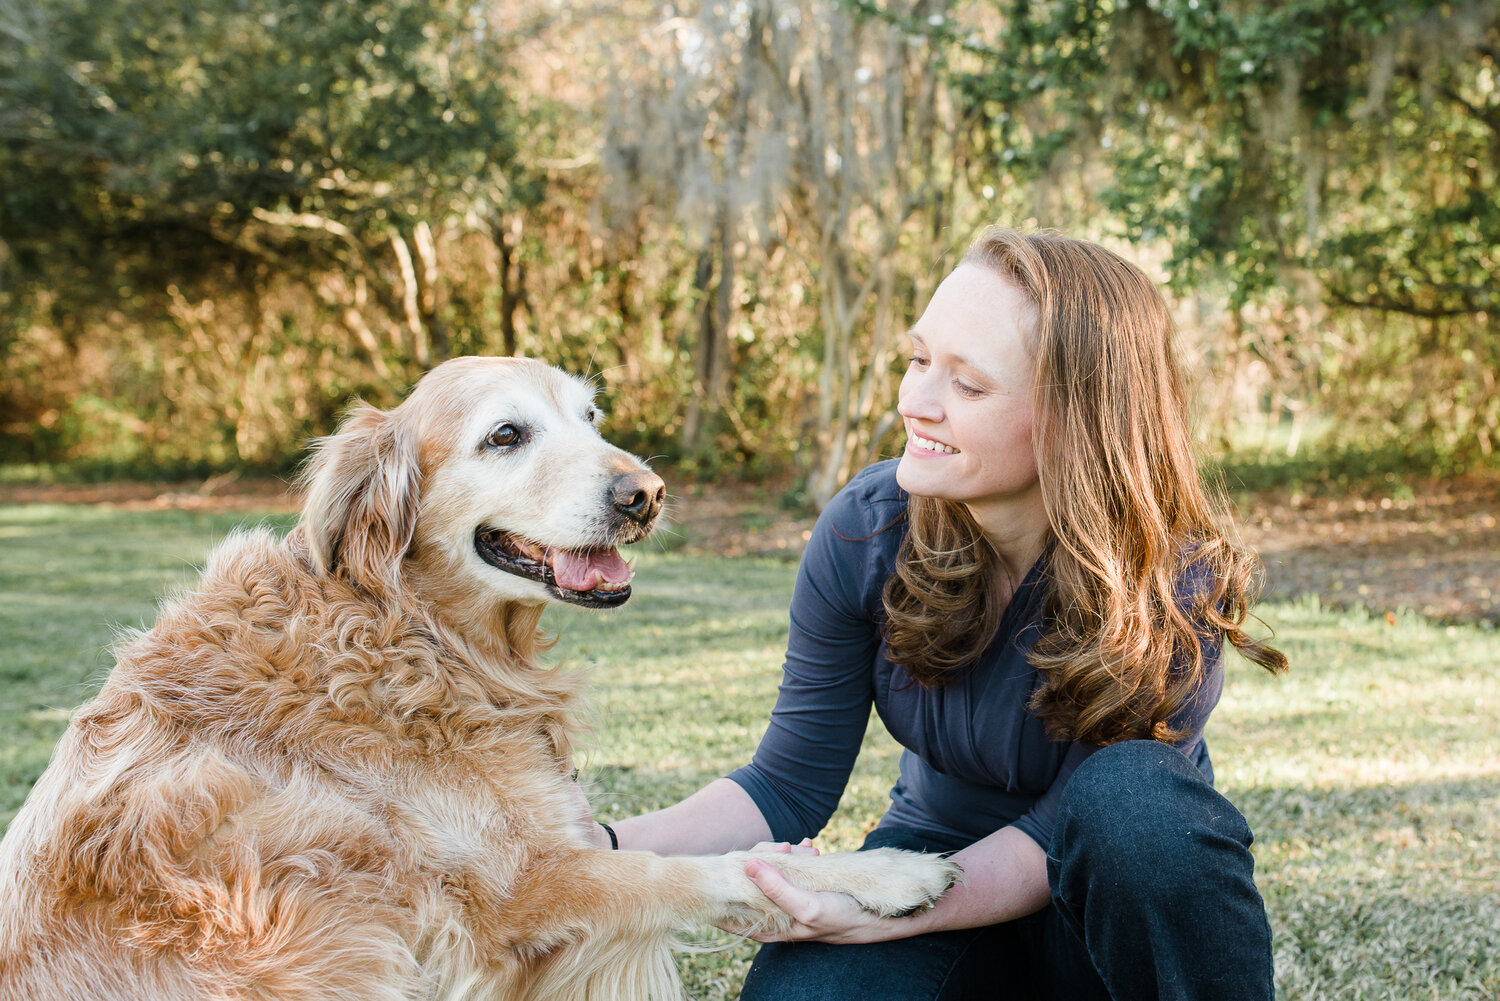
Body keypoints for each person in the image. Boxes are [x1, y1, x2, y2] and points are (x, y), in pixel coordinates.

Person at [587, 227, 1289, 1000]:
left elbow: (1069, 830)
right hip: (930, 855)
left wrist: (886, 909)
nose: (914, 403)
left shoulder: (1174, 576)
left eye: (969, 385)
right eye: (920, 359)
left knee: (1134, 801)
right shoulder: (868, 527)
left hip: (1108, 904)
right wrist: (600, 845)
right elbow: (787, 782)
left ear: (1075, 418)